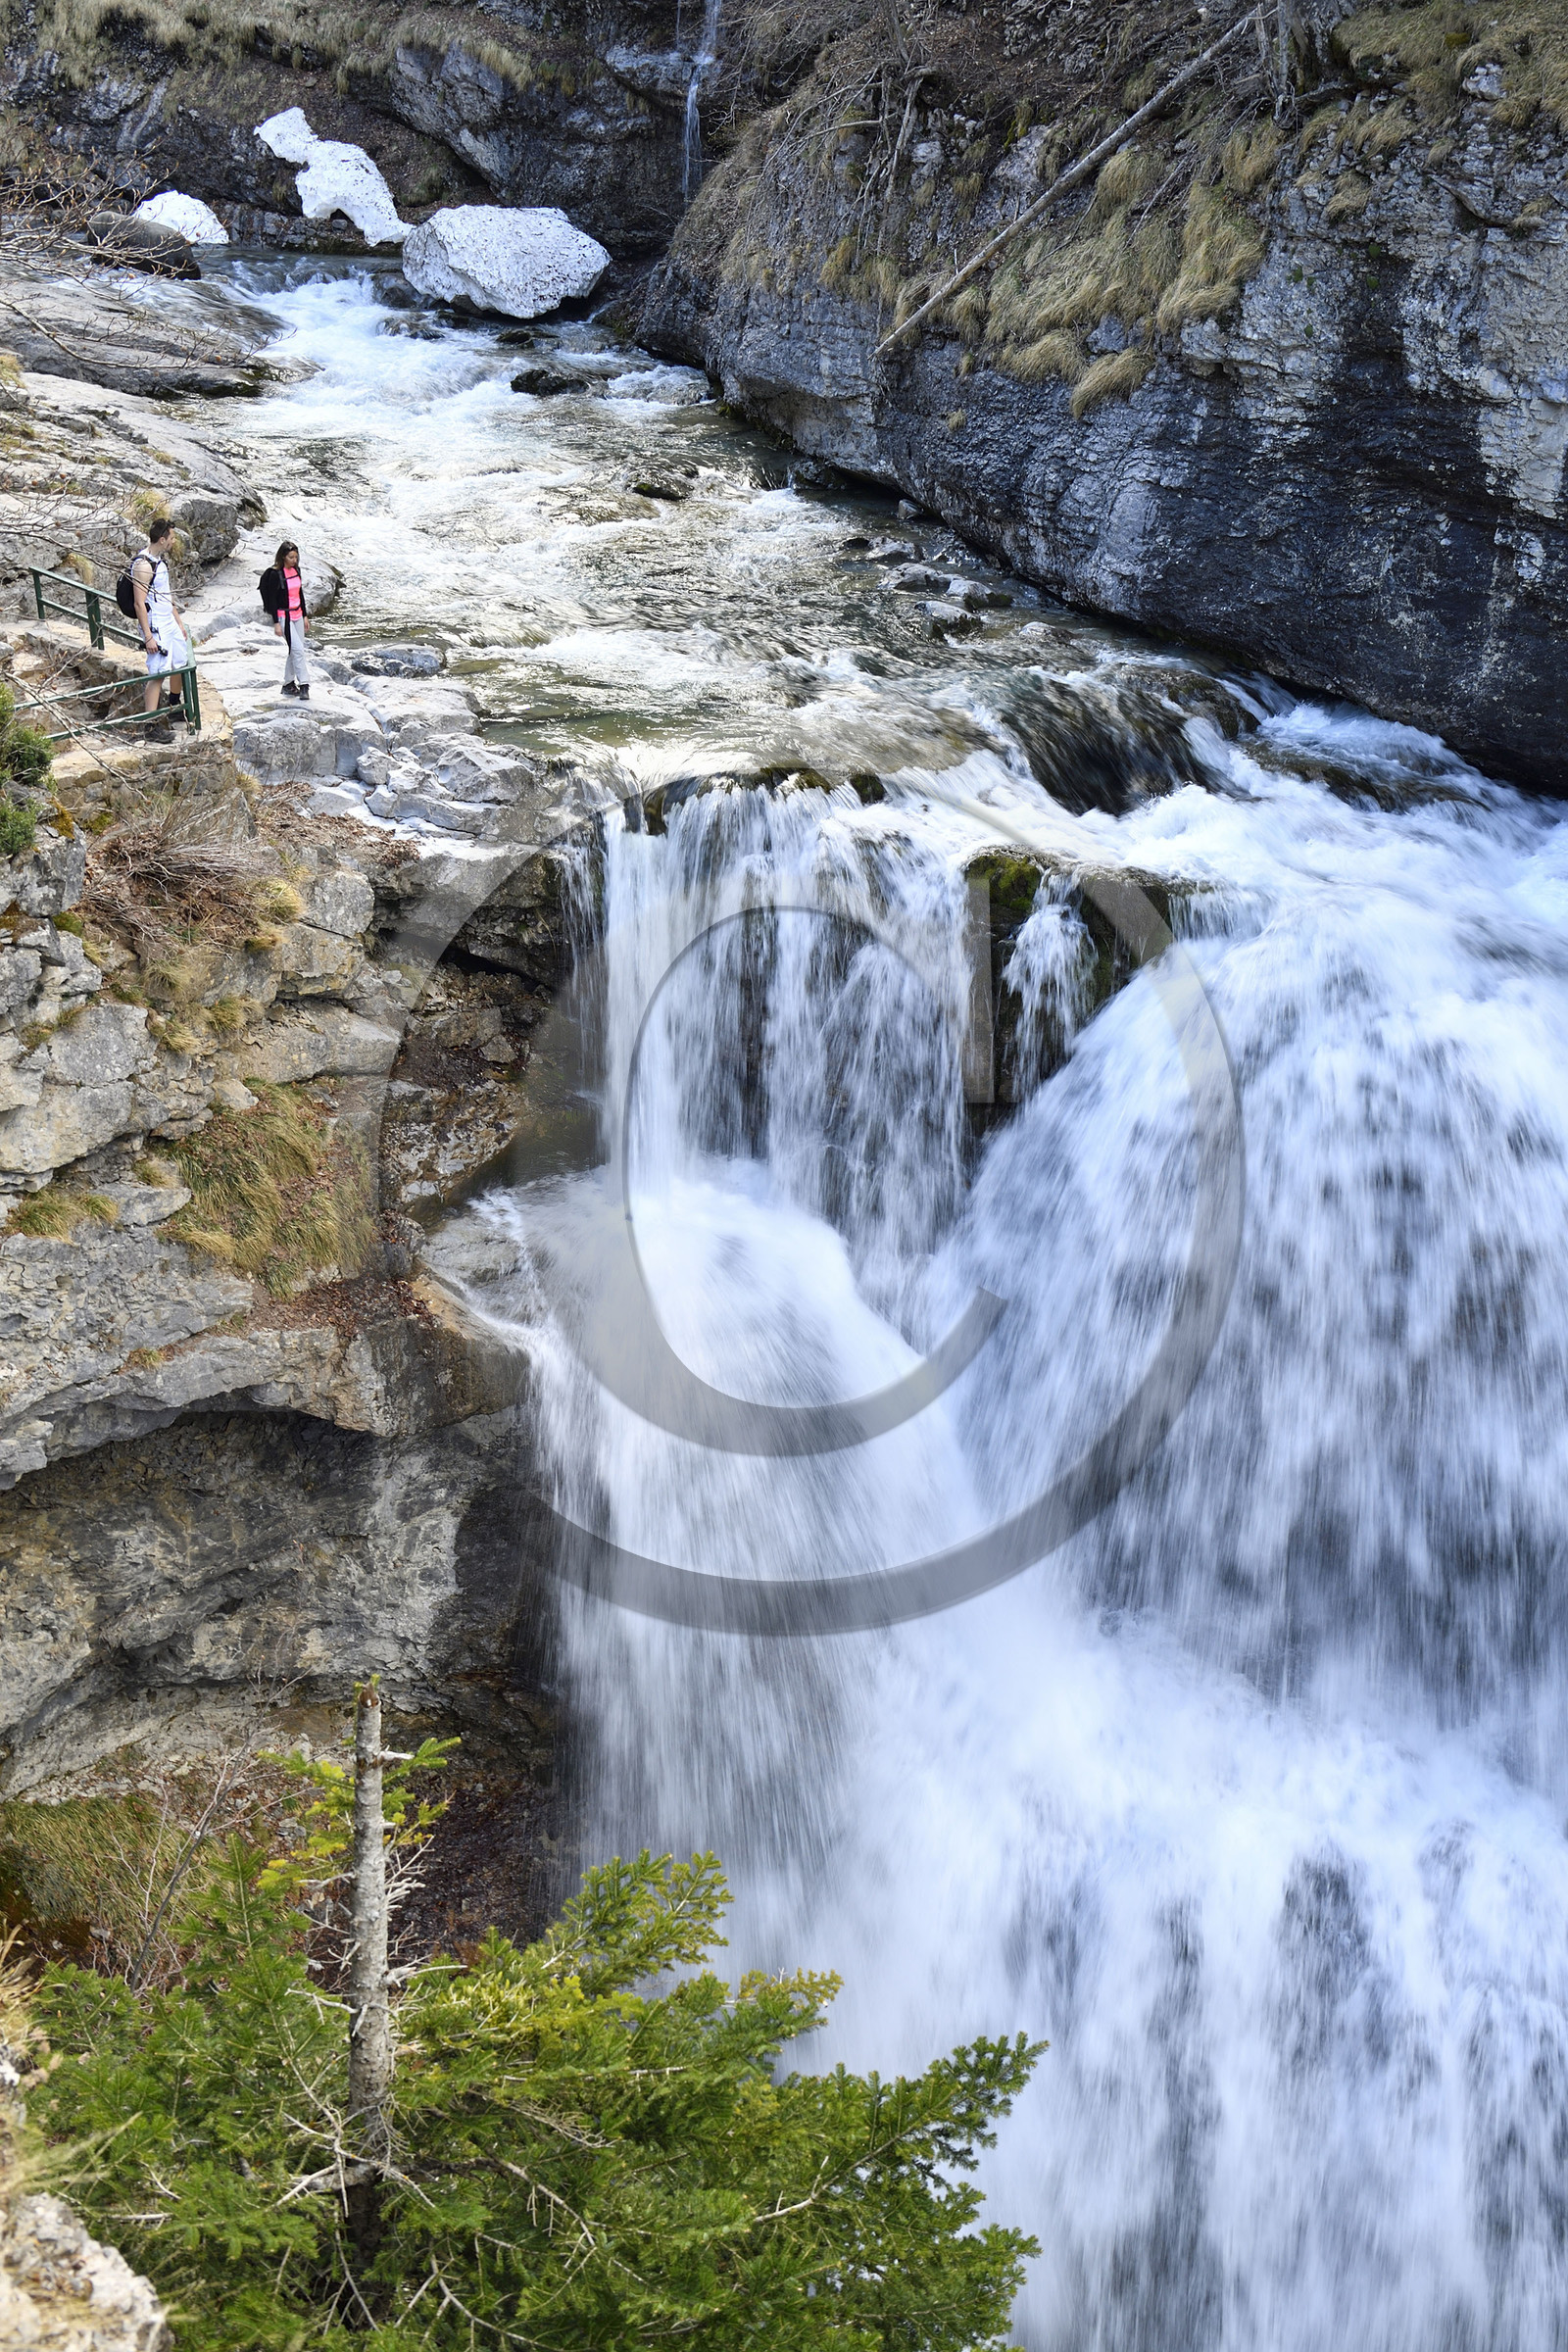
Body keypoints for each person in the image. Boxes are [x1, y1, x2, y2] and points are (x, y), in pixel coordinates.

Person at [130, 514, 188, 739]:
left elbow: (166, 595)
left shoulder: (160, 563)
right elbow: (139, 603)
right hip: (156, 626)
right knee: (157, 674)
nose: (173, 541)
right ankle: (150, 726)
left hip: (169, 622)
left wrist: (178, 622)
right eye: (171, 537)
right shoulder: (143, 566)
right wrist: (148, 636)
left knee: (179, 663)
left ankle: (174, 707)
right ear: (162, 540)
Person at [262, 540, 311, 699]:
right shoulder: (276, 574)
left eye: (296, 557)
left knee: (295, 650)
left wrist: (304, 615)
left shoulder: (296, 571)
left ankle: (288, 683)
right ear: (283, 557)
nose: (294, 560)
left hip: (297, 615)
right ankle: (304, 684)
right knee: (297, 650)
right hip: (284, 616)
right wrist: (276, 623)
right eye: (291, 557)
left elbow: (300, 594)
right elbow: (273, 601)